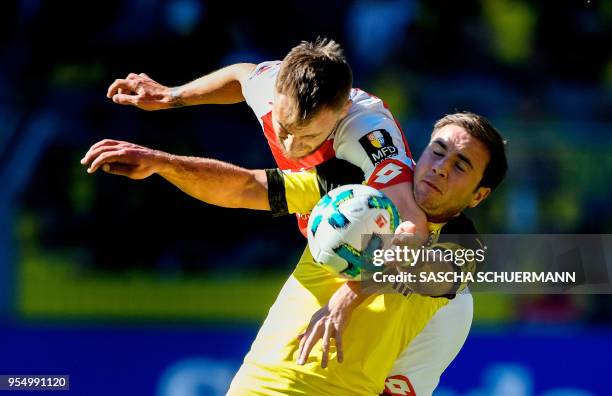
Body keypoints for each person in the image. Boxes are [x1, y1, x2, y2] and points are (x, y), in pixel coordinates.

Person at [92, 38, 507, 394]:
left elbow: (417, 240)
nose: (289, 145)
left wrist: (352, 293)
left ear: (479, 195)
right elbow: (243, 106)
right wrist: (165, 138)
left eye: (461, 166)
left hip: (427, 324)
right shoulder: (344, 179)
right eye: (438, 152)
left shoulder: (386, 161)